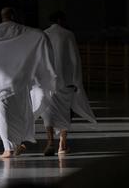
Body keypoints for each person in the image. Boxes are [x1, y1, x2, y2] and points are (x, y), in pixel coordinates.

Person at [0, 7, 59, 159]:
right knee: (21, 113)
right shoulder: (23, 30)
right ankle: (17, 142)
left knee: (4, 115)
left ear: (2, 17)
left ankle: (8, 148)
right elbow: (38, 35)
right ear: (13, 16)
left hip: (0, 82)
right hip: (20, 80)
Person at [39, 10, 96, 156]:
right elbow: (74, 59)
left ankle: (50, 142)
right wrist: (77, 80)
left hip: (47, 81)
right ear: (60, 20)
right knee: (64, 112)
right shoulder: (68, 34)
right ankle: (62, 145)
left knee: (47, 113)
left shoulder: (43, 34)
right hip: (65, 81)